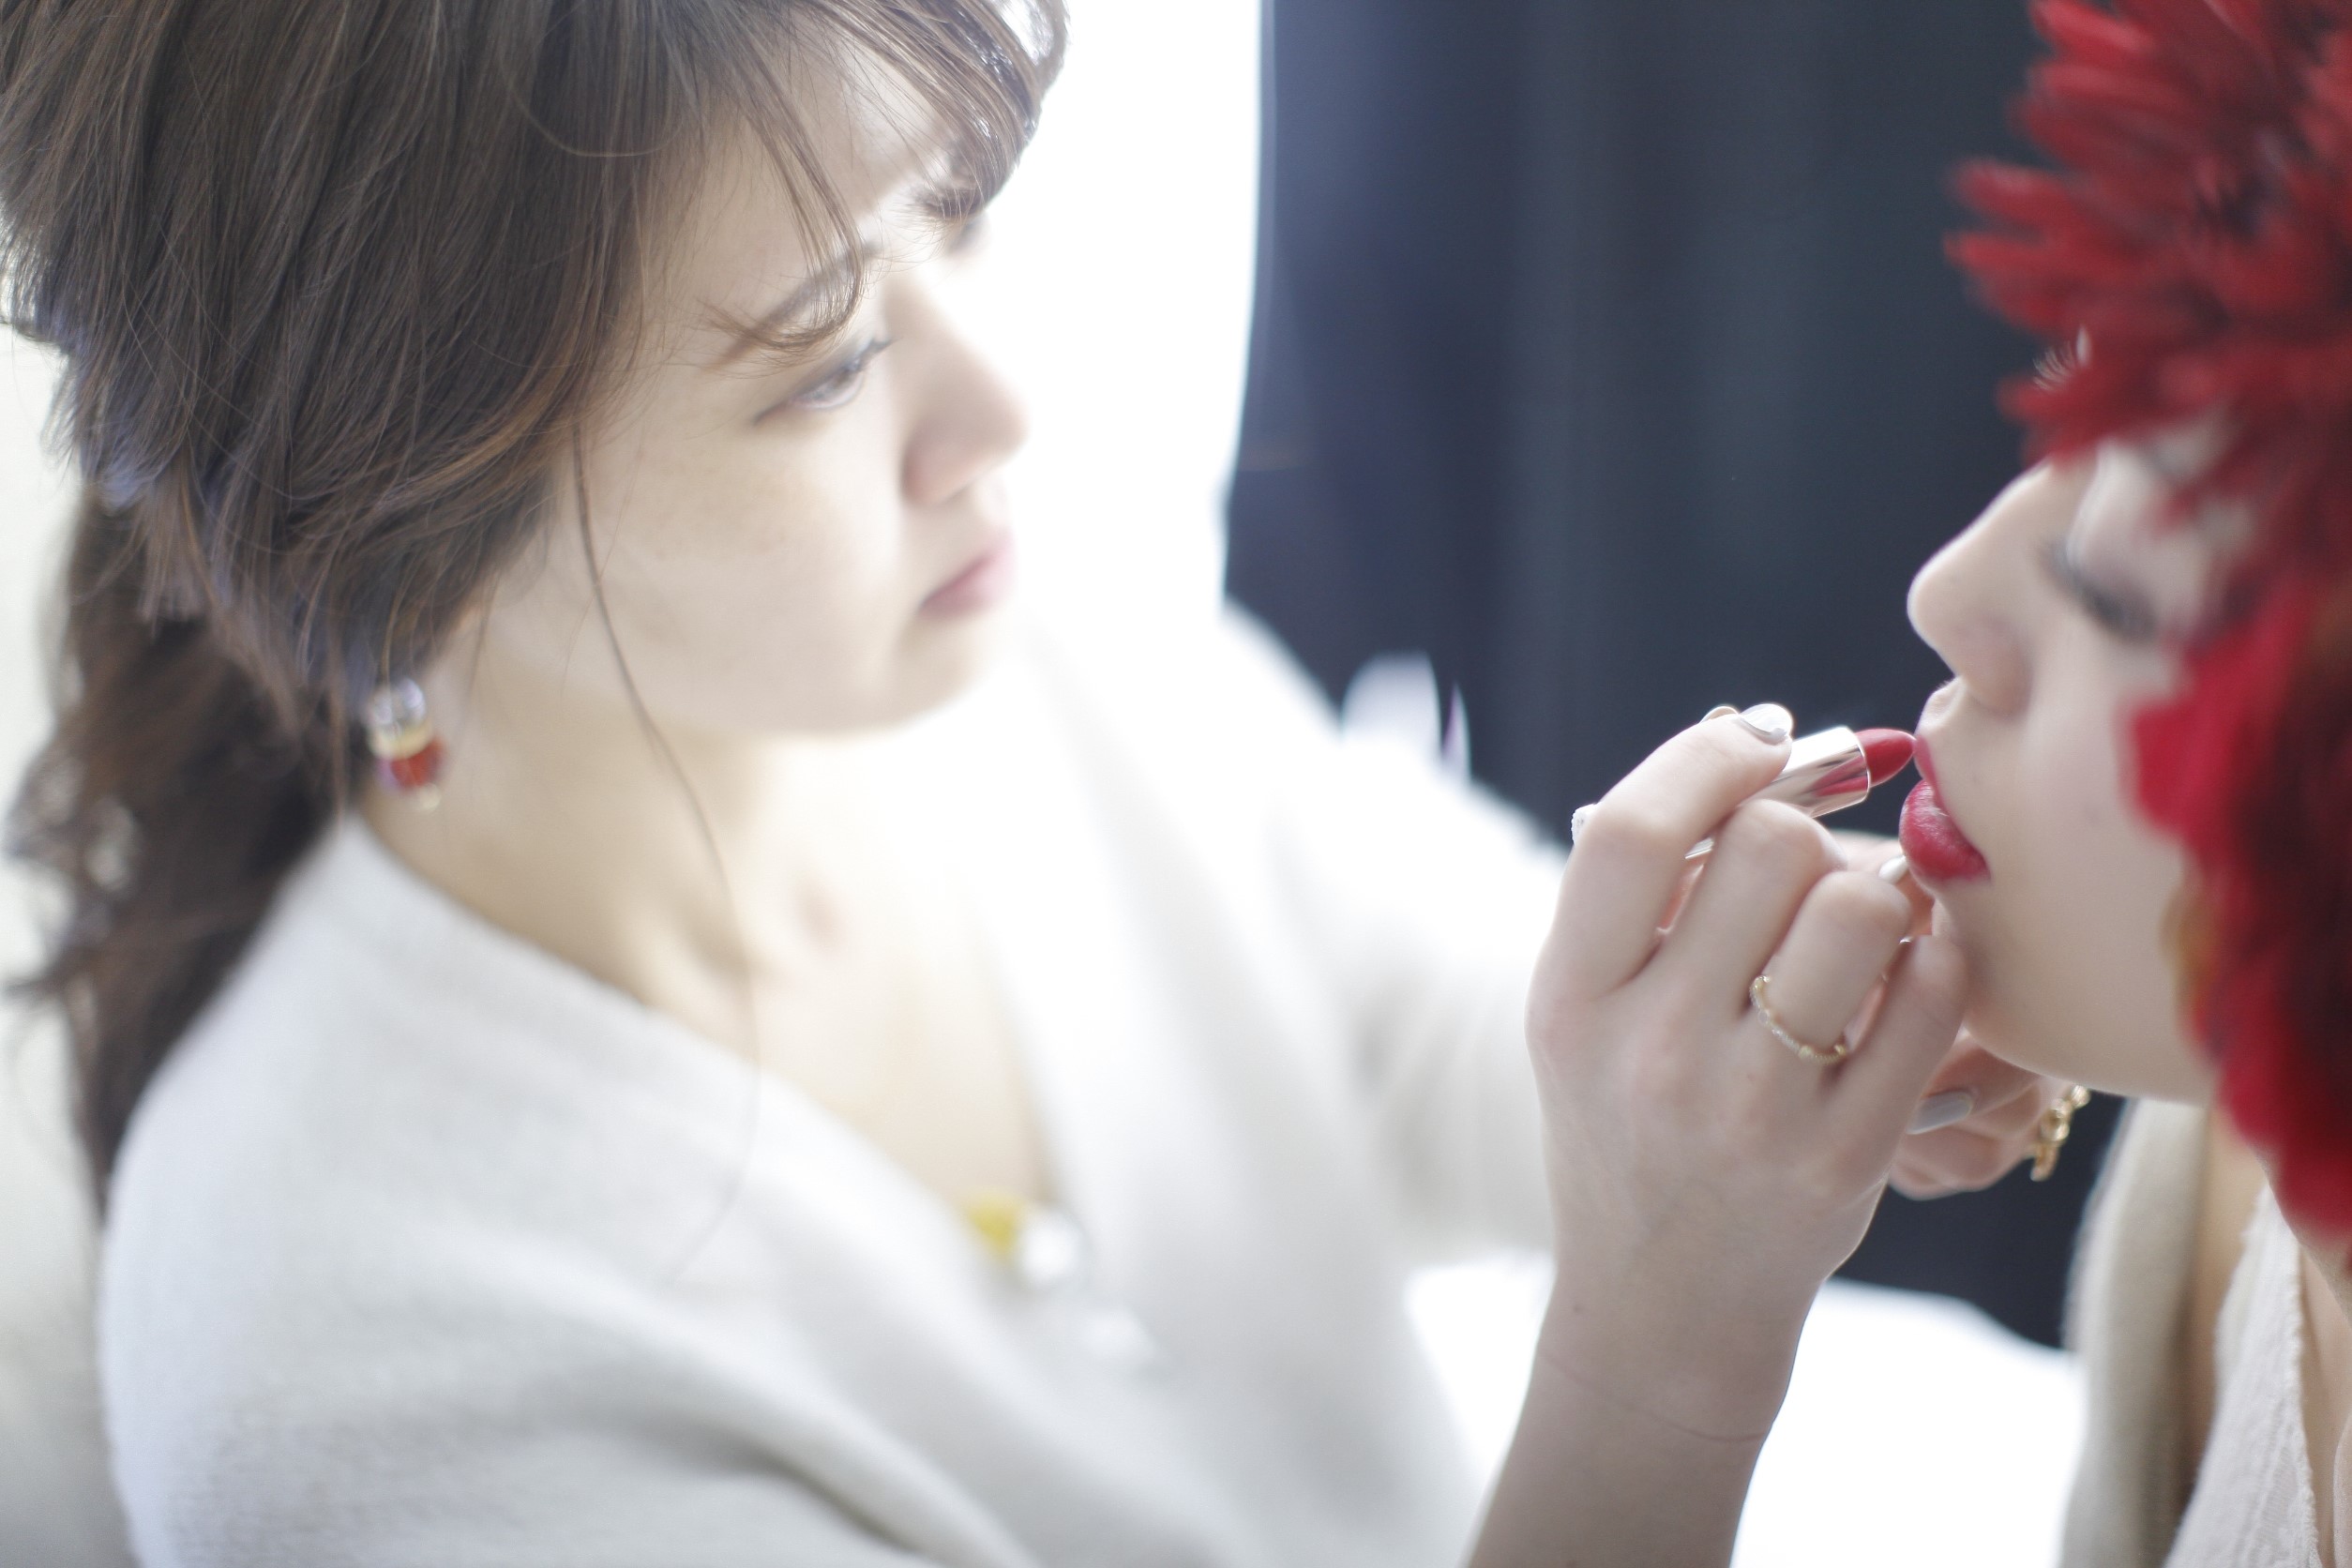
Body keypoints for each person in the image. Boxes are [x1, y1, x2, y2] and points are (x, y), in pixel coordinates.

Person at [0, 3, 2049, 1563]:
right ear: (406, 537)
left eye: (959, 219)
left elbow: (1431, 1016)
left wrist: (1752, 1052)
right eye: (817, 360)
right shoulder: (364, 1390)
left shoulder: (991, 662)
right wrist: (1656, 1366)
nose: (998, 404)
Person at [1472, 1, 2352, 1563]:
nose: (1946, 593)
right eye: (2065, 415)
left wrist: (1653, 1363)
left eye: (2109, 583)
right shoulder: (2234, 1150)